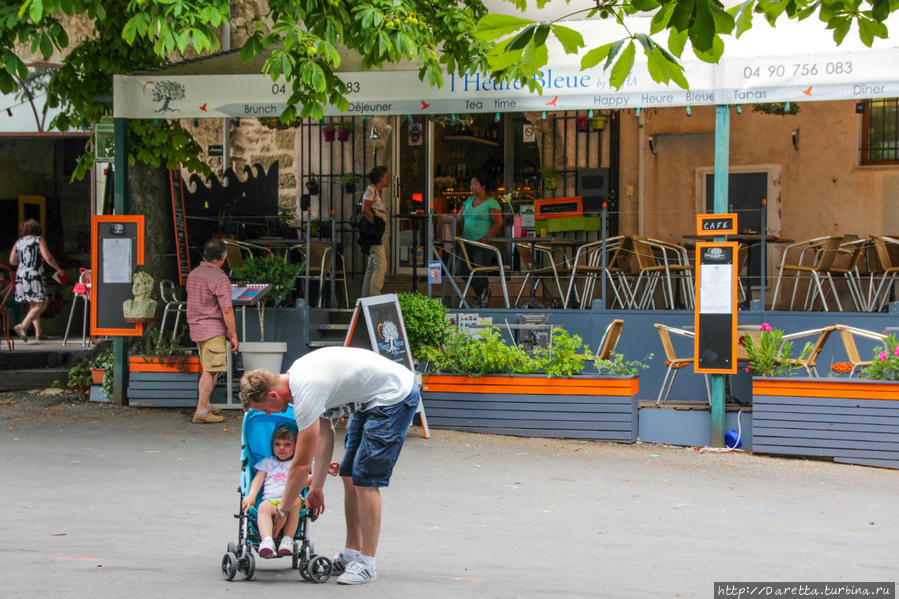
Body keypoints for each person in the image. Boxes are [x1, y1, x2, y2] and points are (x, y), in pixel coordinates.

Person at [239, 346, 420, 585]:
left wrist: (282, 510)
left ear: (273, 395)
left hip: (393, 396)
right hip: (367, 400)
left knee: (365, 478)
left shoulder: (305, 390)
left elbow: (301, 465)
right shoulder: (296, 382)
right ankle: (351, 553)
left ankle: (367, 562)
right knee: (348, 474)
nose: (268, 414)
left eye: (263, 409)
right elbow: (326, 433)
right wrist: (316, 488)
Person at [186, 239, 239, 424]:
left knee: (209, 367)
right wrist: (233, 334)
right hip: (212, 328)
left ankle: (206, 404)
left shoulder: (194, 274)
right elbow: (226, 309)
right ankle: (201, 411)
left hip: (196, 326)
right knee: (211, 370)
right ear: (223, 257)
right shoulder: (219, 277)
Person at [241, 424, 305, 558]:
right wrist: (251, 496)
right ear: (272, 445)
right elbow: (258, 480)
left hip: (290, 501)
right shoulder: (267, 462)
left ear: (296, 446)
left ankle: (287, 540)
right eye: (277, 444)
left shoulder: (297, 464)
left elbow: (306, 480)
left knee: (296, 502)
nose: (282, 448)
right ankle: (267, 541)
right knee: (263, 507)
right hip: (271, 501)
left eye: (287, 444)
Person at [8, 218, 64, 342]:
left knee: (33, 304)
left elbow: (12, 261)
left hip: (21, 276)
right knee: (42, 304)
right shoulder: (38, 240)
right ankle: (23, 326)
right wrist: (58, 269)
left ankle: (39, 332)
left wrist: (24, 265)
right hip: (35, 275)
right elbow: (48, 257)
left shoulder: (19, 242)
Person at [454, 172, 503, 307]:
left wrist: (487, 237)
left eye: (475, 184)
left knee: (479, 269)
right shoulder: (469, 201)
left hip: (482, 243)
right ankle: (482, 292)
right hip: (467, 242)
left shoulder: (491, 203)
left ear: (483, 186)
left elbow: (498, 222)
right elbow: (459, 217)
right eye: (471, 184)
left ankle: (481, 296)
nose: (471, 187)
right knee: (461, 269)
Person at [359, 166, 390, 297]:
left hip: (379, 233)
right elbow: (365, 209)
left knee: (372, 266)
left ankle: (365, 298)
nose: (388, 179)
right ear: (381, 178)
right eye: (386, 176)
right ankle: (374, 296)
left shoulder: (378, 191)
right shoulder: (371, 190)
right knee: (381, 265)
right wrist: (375, 224)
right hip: (374, 234)